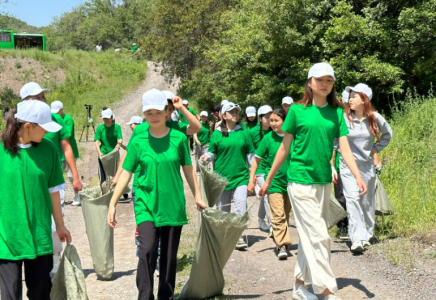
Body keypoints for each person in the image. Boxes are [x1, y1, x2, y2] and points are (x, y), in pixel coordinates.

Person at [259, 62, 367, 300]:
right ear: (309, 82)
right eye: (320, 80)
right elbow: (284, 148)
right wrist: (267, 179)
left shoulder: (337, 112)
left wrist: (358, 176)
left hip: (322, 181)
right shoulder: (297, 111)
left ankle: (299, 286)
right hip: (299, 180)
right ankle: (325, 290)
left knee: (310, 236)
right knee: (320, 235)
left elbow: (345, 149)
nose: (324, 84)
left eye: (329, 80)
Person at [107, 88, 206, 300]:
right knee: (147, 250)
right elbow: (127, 172)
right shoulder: (138, 138)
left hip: (172, 203)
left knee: (169, 259)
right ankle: (145, 296)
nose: (154, 117)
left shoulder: (178, 137)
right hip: (145, 201)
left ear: (167, 111)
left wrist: (197, 194)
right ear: (144, 114)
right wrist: (113, 202)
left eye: (158, 112)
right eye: (149, 113)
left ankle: (165, 297)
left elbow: (188, 169)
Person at [0, 100, 72, 300]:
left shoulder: (48, 149)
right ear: (27, 126)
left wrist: (60, 225)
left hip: (40, 235)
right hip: (8, 237)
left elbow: (53, 191)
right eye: (44, 128)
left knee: (41, 292)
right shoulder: (1, 150)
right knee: (10, 296)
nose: (47, 133)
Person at [337, 83, 392, 253]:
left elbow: (388, 134)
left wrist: (375, 149)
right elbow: (335, 140)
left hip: (367, 166)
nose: (349, 99)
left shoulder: (374, 118)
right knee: (352, 199)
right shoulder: (344, 118)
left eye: (354, 96)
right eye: (350, 96)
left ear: (364, 99)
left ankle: (368, 233)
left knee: (366, 202)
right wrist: (331, 163)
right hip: (347, 166)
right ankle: (357, 239)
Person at [201, 102, 255, 250]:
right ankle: (224, 237)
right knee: (223, 210)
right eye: (232, 112)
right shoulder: (217, 134)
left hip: (241, 177)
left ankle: (238, 237)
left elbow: (251, 157)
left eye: (236, 112)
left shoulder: (244, 133)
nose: (235, 114)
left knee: (240, 207)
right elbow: (213, 152)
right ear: (224, 115)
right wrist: (206, 157)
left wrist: (253, 176)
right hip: (222, 178)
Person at [249, 108, 292, 260]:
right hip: (273, 182)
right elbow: (256, 160)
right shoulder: (267, 138)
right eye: (271, 120)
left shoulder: (292, 137)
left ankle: (282, 241)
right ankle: (282, 245)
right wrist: (251, 179)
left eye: (276, 120)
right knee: (278, 214)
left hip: (291, 182)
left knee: (285, 215)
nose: (273, 124)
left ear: (285, 121)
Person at [51, 100, 81, 206]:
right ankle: (57, 198)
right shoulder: (52, 119)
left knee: (71, 174)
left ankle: (77, 195)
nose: (56, 113)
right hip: (58, 152)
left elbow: (66, 134)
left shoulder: (68, 119)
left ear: (62, 110)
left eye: (57, 111)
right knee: (58, 173)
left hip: (69, 150)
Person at [249, 105, 273, 233]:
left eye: (271, 116)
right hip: (259, 169)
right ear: (260, 118)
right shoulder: (252, 132)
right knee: (267, 195)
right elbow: (248, 153)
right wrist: (250, 174)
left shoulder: (274, 131)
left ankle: (260, 219)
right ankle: (274, 226)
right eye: (267, 117)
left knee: (265, 195)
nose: (270, 120)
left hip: (272, 168)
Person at [332, 89, 350, 240]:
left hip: (357, 164)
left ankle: (356, 226)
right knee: (340, 197)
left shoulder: (360, 119)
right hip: (339, 163)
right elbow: (333, 144)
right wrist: (331, 165)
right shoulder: (337, 116)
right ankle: (343, 227)